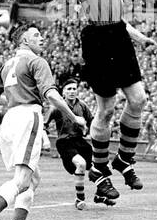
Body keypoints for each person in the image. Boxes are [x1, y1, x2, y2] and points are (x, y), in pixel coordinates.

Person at [5, 0, 157, 204]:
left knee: (138, 99)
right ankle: (100, 170)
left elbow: (116, 17)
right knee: (107, 109)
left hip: (118, 36)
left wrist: (139, 38)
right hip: (99, 40)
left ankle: (123, 160)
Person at [0, 24, 85, 220]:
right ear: (24, 41)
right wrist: (74, 116)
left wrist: (14, 99)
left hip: (10, 120)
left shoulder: (7, 65)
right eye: (36, 35)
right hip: (27, 117)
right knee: (22, 180)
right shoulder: (37, 62)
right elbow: (51, 95)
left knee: (33, 178)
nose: (42, 38)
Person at [47, 76, 114, 209]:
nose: (72, 91)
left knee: (100, 165)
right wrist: (44, 138)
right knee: (81, 164)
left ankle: (100, 195)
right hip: (64, 142)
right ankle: (80, 199)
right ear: (63, 92)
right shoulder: (56, 107)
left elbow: (92, 122)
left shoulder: (82, 105)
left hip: (79, 141)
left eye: (74, 89)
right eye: (69, 89)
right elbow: (44, 124)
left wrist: (104, 125)